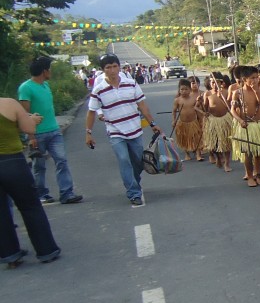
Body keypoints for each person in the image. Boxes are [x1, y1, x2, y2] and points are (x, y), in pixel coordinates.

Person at [84, 54, 162, 207]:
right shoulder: (99, 90)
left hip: (135, 129)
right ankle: (133, 192)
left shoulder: (131, 84)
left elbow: (142, 105)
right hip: (115, 131)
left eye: (114, 66)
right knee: (124, 160)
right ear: (102, 70)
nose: (112, 70)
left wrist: (152, 123)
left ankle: (134, 182)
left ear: (119, 67)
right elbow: (91, 111)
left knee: (138, 162)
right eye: (108, 67)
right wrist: (88, 132)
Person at [1, 97, 61, 266]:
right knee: (30, 206)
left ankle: (10, 255)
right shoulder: (8, 104)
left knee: (1, 213)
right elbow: (28, 128)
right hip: (12, 162)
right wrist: (31, 119)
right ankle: (46, 251)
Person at [17, 56, 83, 204]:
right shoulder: (25, 88)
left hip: (54, 131)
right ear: (44, 71)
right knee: (39, 166)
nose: (51, 72)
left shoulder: (45, 86)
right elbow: (24, 114)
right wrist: (31, 136)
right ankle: (41, 194)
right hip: (37, 134)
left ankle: (67, 193)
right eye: (49, 69)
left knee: (61, 160)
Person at [230, 66, 260, 187]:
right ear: (244, 79)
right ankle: (250, 176)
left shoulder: (258, 91)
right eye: (252, 78)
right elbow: (233, 110)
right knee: (247, 153)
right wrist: (240, 120)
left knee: (257, 152)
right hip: (245, 126)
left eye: (256, 77)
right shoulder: (237, 93)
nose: (256, 80)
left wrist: (257, 92)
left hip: (256, 125)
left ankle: (258, 174)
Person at [201, 73, 233, 172]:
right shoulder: (207, 94)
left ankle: (227, 163)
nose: (214, 84)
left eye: (217, 82)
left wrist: (220, 97)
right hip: (213, 120)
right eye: (212, 82)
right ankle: (218, 157)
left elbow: (229, 107)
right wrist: (201, 104)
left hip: (225, 119)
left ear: (221, 83)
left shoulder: (226, 92)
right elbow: (205, 109)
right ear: (210, 83)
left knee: (227, 143)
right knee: (214, 143)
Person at [171, 79, 203, 160]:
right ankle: (187, 154)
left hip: (193, 122)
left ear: (190, 90)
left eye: (186, 89)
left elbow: (197, 108)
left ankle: (198, 154)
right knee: (184, 138)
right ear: (179, 90)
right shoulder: (177, 100)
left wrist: (201, 120)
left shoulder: (193, 99)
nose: (184, 91)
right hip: (182, 122)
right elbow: (174, 111)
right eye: (182, 89)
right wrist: (174, 120)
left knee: (196, 137)